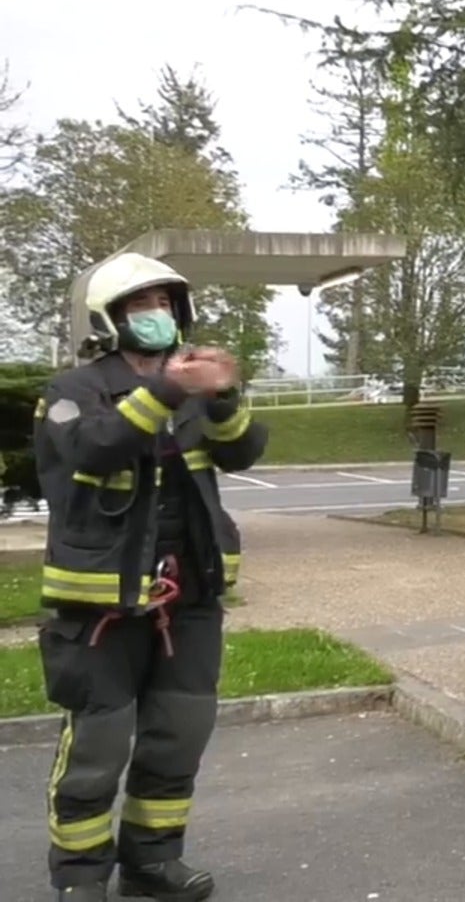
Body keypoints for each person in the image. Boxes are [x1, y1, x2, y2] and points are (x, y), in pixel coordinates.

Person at [33, 252, 268, 902]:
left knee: (178, 735)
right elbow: (93, 447)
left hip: (188, 596)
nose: (158, 316)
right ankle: (80, 877)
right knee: (99, 742)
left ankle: (153, 863)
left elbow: (244, 450)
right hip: (102, 600)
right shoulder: (71, 391)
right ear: (111, 318)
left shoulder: (189, 390)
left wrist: (221, 396)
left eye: (166, 304)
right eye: (143, 305)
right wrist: (165, 390)